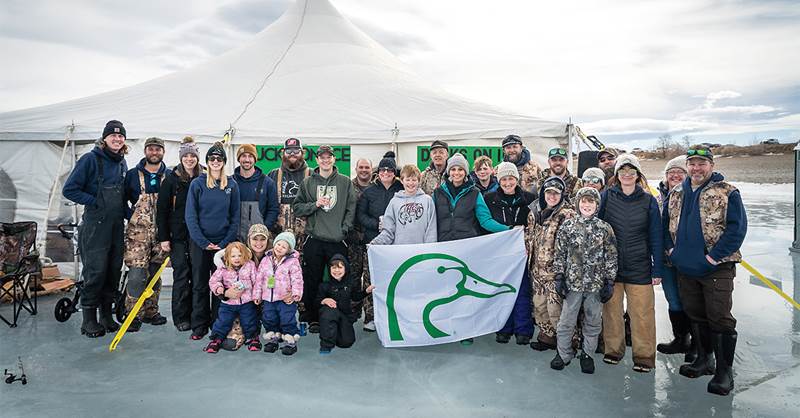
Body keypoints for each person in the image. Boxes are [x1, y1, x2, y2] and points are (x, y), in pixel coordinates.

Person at [664, 145, 747, 396]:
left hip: (716, 269)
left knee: (719, 318)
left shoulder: (727, 192)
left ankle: (724, 372)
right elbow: (665, 224)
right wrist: (671, 252)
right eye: (692, 163)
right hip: (686, 268)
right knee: (696, 315)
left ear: (711, 165)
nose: (696, 168)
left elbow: (737, 230)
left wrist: (712, 258)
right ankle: (703, 359)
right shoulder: (677, 192)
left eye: (702, 163)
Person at [434, 153, 510, 345]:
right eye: (453, 169)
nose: (457, 172)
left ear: (466, 172)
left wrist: (509, 229)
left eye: (460, 169)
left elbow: (485, 220)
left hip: (467, 249)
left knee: (463, 292)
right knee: (445, 290)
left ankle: (466, 331)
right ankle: (445, 327)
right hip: (444, 247)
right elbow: (430, 221)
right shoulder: (438, 193)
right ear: (449, 171)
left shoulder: (474, 193)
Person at [62, 120, 128, 338]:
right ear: (105, 138)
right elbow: (70, 189)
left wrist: (132, 214)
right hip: (95, 226)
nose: (117, 139)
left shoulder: (121, 162)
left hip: (117, 225)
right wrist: (94, 201)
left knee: (112, 271)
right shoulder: (90, 159)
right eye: (113, 136)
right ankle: (88, 320)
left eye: (120, 136)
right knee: (95, 271)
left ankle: (106, 316)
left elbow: (122, 196)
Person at [598, 153, 663, 373]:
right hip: (612, 266)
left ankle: (644, 356)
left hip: (640, 265)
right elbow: (598, 229)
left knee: (642, 313)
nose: (627, 175)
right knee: (612, 311)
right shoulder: (607, 196)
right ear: (617, 174)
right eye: (623, 171)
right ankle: (613, 350)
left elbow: (656, 236)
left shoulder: (648, 200)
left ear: (638, 175)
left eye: (631, 171)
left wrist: (657, 268)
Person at [550, 187, 618, 374]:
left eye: (591, 202)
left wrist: (609, 281)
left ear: (597, 205)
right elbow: (560, 253)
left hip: (595, 285)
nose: (586, 205)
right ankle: (563, 353)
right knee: (566, 321)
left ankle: (587, 354)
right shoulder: (568, 226)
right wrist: (559, 276)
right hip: (572, 284)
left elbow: (611, 256)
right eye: (583, 201)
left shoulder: (605, 228)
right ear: (578, 203)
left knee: (593, 321)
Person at [292, 145, 357, 333]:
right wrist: (315, 204)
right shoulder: (308, 182)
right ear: (317, 160)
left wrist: (344, 230)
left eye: (329, 157)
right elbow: (298, 207)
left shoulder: (345, 182)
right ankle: (313, 317)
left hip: (337, 240)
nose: (326, 160)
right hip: (315, 239)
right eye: (322, 157)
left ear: (334, 159)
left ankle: (340, 315)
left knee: (341, 280)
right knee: (312, 279)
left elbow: (351, 208)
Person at [185, 141, 241, 340]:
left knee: (221, 285)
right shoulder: (197, 184)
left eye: (219, 159)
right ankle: (199, 324)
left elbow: (235, 217)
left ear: (224, 162)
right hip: (200, 244)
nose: (215, 161)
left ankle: (219, 323)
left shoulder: (231, 185)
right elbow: (190, 216)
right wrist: (202, 241)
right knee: (200, 284)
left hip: (223, 245)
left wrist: (225, 243)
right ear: (207, 162)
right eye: (212, 159)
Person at [484, 162, 536, 345]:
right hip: (500, 253)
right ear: (499, 180)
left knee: (522, 289)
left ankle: (523, 329)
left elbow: (537, 223)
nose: (507, 182)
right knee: (502, 289)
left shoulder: (530, 198)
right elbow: (485, 222)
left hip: (522, 252)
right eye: (504, 179)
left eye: (511, 178)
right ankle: (504, 328)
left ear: (517, 179)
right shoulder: (489, 198)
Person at [122, 136, 169, 332]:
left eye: (158, 149)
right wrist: (131, 216)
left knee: (155, 273)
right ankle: (132, 314)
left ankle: (151, 311)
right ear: (145, 151)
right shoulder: (133, 175)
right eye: (151, 149)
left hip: (161, 234)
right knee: (137, 274)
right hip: (138, 236)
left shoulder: (170, 175)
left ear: (163, 152)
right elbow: (122, 200)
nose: (154, 152)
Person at [157, 136, 202, 332]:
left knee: (198, 275)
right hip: (178, 236)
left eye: (193, 155)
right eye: (186, 155)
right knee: (182, 274)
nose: (190, 159)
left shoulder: (204, 177)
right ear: (181, 157)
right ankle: (181, 316)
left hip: (199, 235)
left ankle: (198, 314)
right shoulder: (171, 180)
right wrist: (164, 237)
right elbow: (162, 210)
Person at [527, 177, 576, 351]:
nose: (552, 196)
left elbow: (571, 246)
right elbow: (529, 237)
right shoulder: (534, 211)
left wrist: (565, 272)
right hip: (536, 270)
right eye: (549, 192)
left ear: (562, 194)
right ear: (543, 193)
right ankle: (547, 338)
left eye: (556, 193)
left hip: (555, 273)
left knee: (556, 310)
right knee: (540, 308)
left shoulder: (567, 214)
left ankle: (566, 344)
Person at [356, 154, 403, 331]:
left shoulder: (401, 189)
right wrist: (377, 224)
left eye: (389, 170)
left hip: (395, 245)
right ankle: (370, 317)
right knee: (370, 280)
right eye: (382, 169)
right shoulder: (369, 191)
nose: (385, 173)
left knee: (394, 280)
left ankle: (394, 317)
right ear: (378, 172)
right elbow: (360, 216)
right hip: (373, 243)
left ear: (394, 172)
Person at [655, 156, 694, 361]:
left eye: (680, 172)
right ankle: (680, 339)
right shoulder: (659, 196)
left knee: (692, 301)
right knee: (673, 300)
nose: (675, 175)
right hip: (667, 259)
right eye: (671, 172)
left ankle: (697, 345)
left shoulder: (691, 194)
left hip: (687, 259)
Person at [203, 242, 259, 354]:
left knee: (249, 320)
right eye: (233, 256)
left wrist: (256, 295)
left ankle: (253, 338)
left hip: (246, 302)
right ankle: (217, 339)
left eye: (240, 255)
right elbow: (214, 281)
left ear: (245, 256)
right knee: (223, 320)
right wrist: (220, 289)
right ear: (227, 257)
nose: (237, 258)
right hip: (228, 303)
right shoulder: (223, 268)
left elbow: (257, 281)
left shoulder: (250, 266)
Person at [256, 231, 303, 355]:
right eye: (278, 244)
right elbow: (259, 278)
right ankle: (273, 338)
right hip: (269, 298)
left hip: (285, 298)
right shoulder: (266, 260)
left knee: (287, 318)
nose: (280, 248)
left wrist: (294, 294)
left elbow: (297, 279)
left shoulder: (292, 262)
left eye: (284, 246)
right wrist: (257, 294)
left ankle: (290, 341)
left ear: (288, 250)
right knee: (269, 318)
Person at [317, 254, 375, 354]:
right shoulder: (325, 285)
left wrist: (366, 291)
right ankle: (326, 344)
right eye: (333, 267)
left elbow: (355, 296)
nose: (336, 271)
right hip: (329, 313)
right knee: (329, 313)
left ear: (345, 269)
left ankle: (336, 333)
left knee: (346, 342)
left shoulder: (350, 283)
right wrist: (324, 300)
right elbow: (316, 301)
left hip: (344, 315)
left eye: (340, 267)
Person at [370, 164, 437, 246]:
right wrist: (376, 243)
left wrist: (429, 250)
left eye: (414, 180)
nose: (411, 183)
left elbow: (431, 231)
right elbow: (388, 230)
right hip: (400, 252)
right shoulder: (394, 202)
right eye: (408, 180)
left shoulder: (427, 201)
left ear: (419, 181)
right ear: (402, 181)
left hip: (421, 253)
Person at [268, 137, 311, 249]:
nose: (293, 154)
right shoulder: (273, 174)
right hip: (279, 235)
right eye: (289, 151)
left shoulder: (312, 174)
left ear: (303, 153)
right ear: (283, 153)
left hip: (305, 234)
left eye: (296, 151)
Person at [346, 157, 374, 321]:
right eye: (361, 167)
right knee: (354, 276)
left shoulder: (376, 187)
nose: (364, 170)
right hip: (353, 239)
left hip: (372, 239)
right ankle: (353, 310)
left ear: (371, 169)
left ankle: (369, 315)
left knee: (370, 278)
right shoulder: (348, 186)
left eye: (367, 167)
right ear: (356, 169)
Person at [233, 143, 279, 241]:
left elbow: (273, 209)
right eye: (243, 156)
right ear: (238, 159)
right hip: (235, 238)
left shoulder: (267, 182)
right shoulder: (231, 182)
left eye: (250, 156)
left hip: (259, 240)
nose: (247, 160)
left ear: (255, 159)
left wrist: (264, 230)